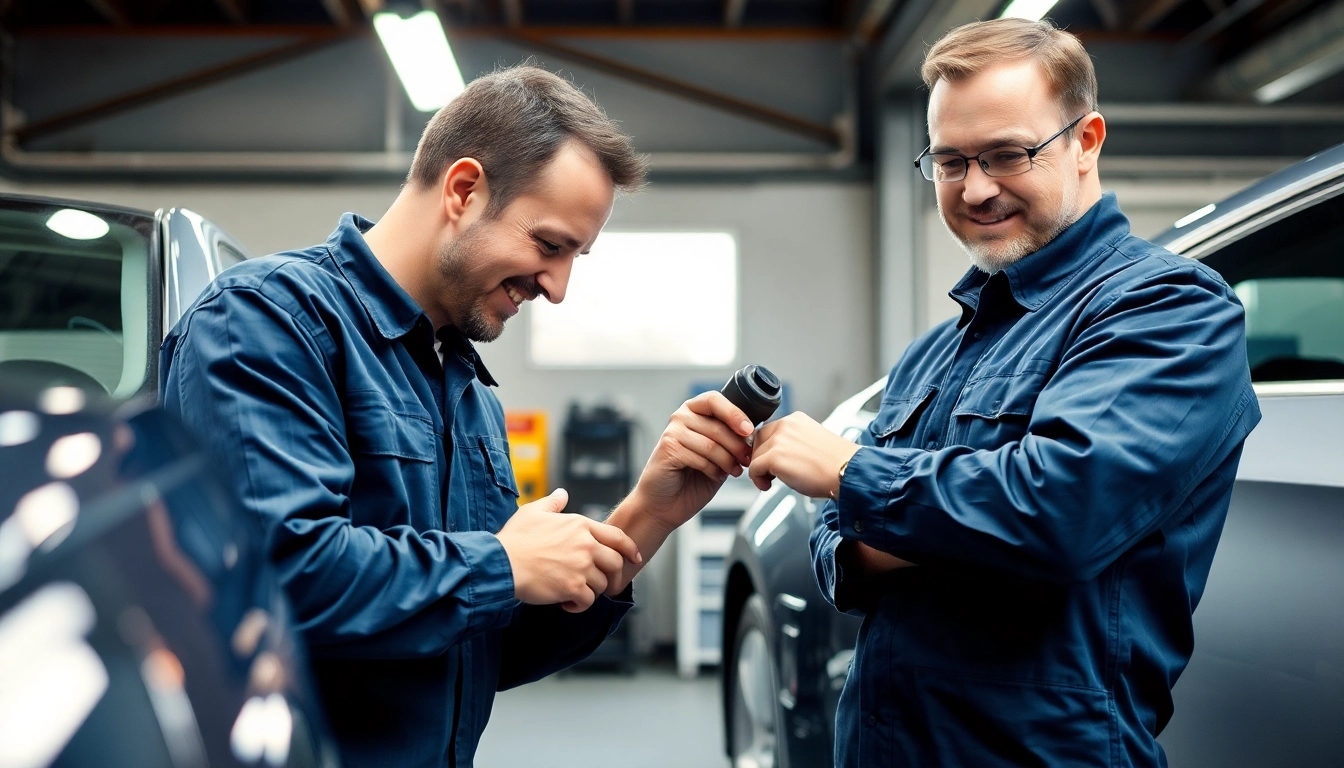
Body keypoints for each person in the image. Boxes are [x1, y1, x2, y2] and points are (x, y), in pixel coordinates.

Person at [159, 65, 756, 768]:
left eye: (576, 258)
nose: (558, 289)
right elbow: (281, 580)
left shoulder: (467, 386)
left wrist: (646, 515)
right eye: (550, 245)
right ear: (464, 191)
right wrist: (501, 562)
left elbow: (479, 648)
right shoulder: (266, 322)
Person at [747, 18, 1260, 768]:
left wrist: (850, 473)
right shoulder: (934, 353)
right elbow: (836, 551)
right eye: (951, 162)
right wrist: (948, 525)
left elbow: (1061, 509)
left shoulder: (1170, 309)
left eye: (1008, 155)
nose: (977, 188)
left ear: (1086, 142)